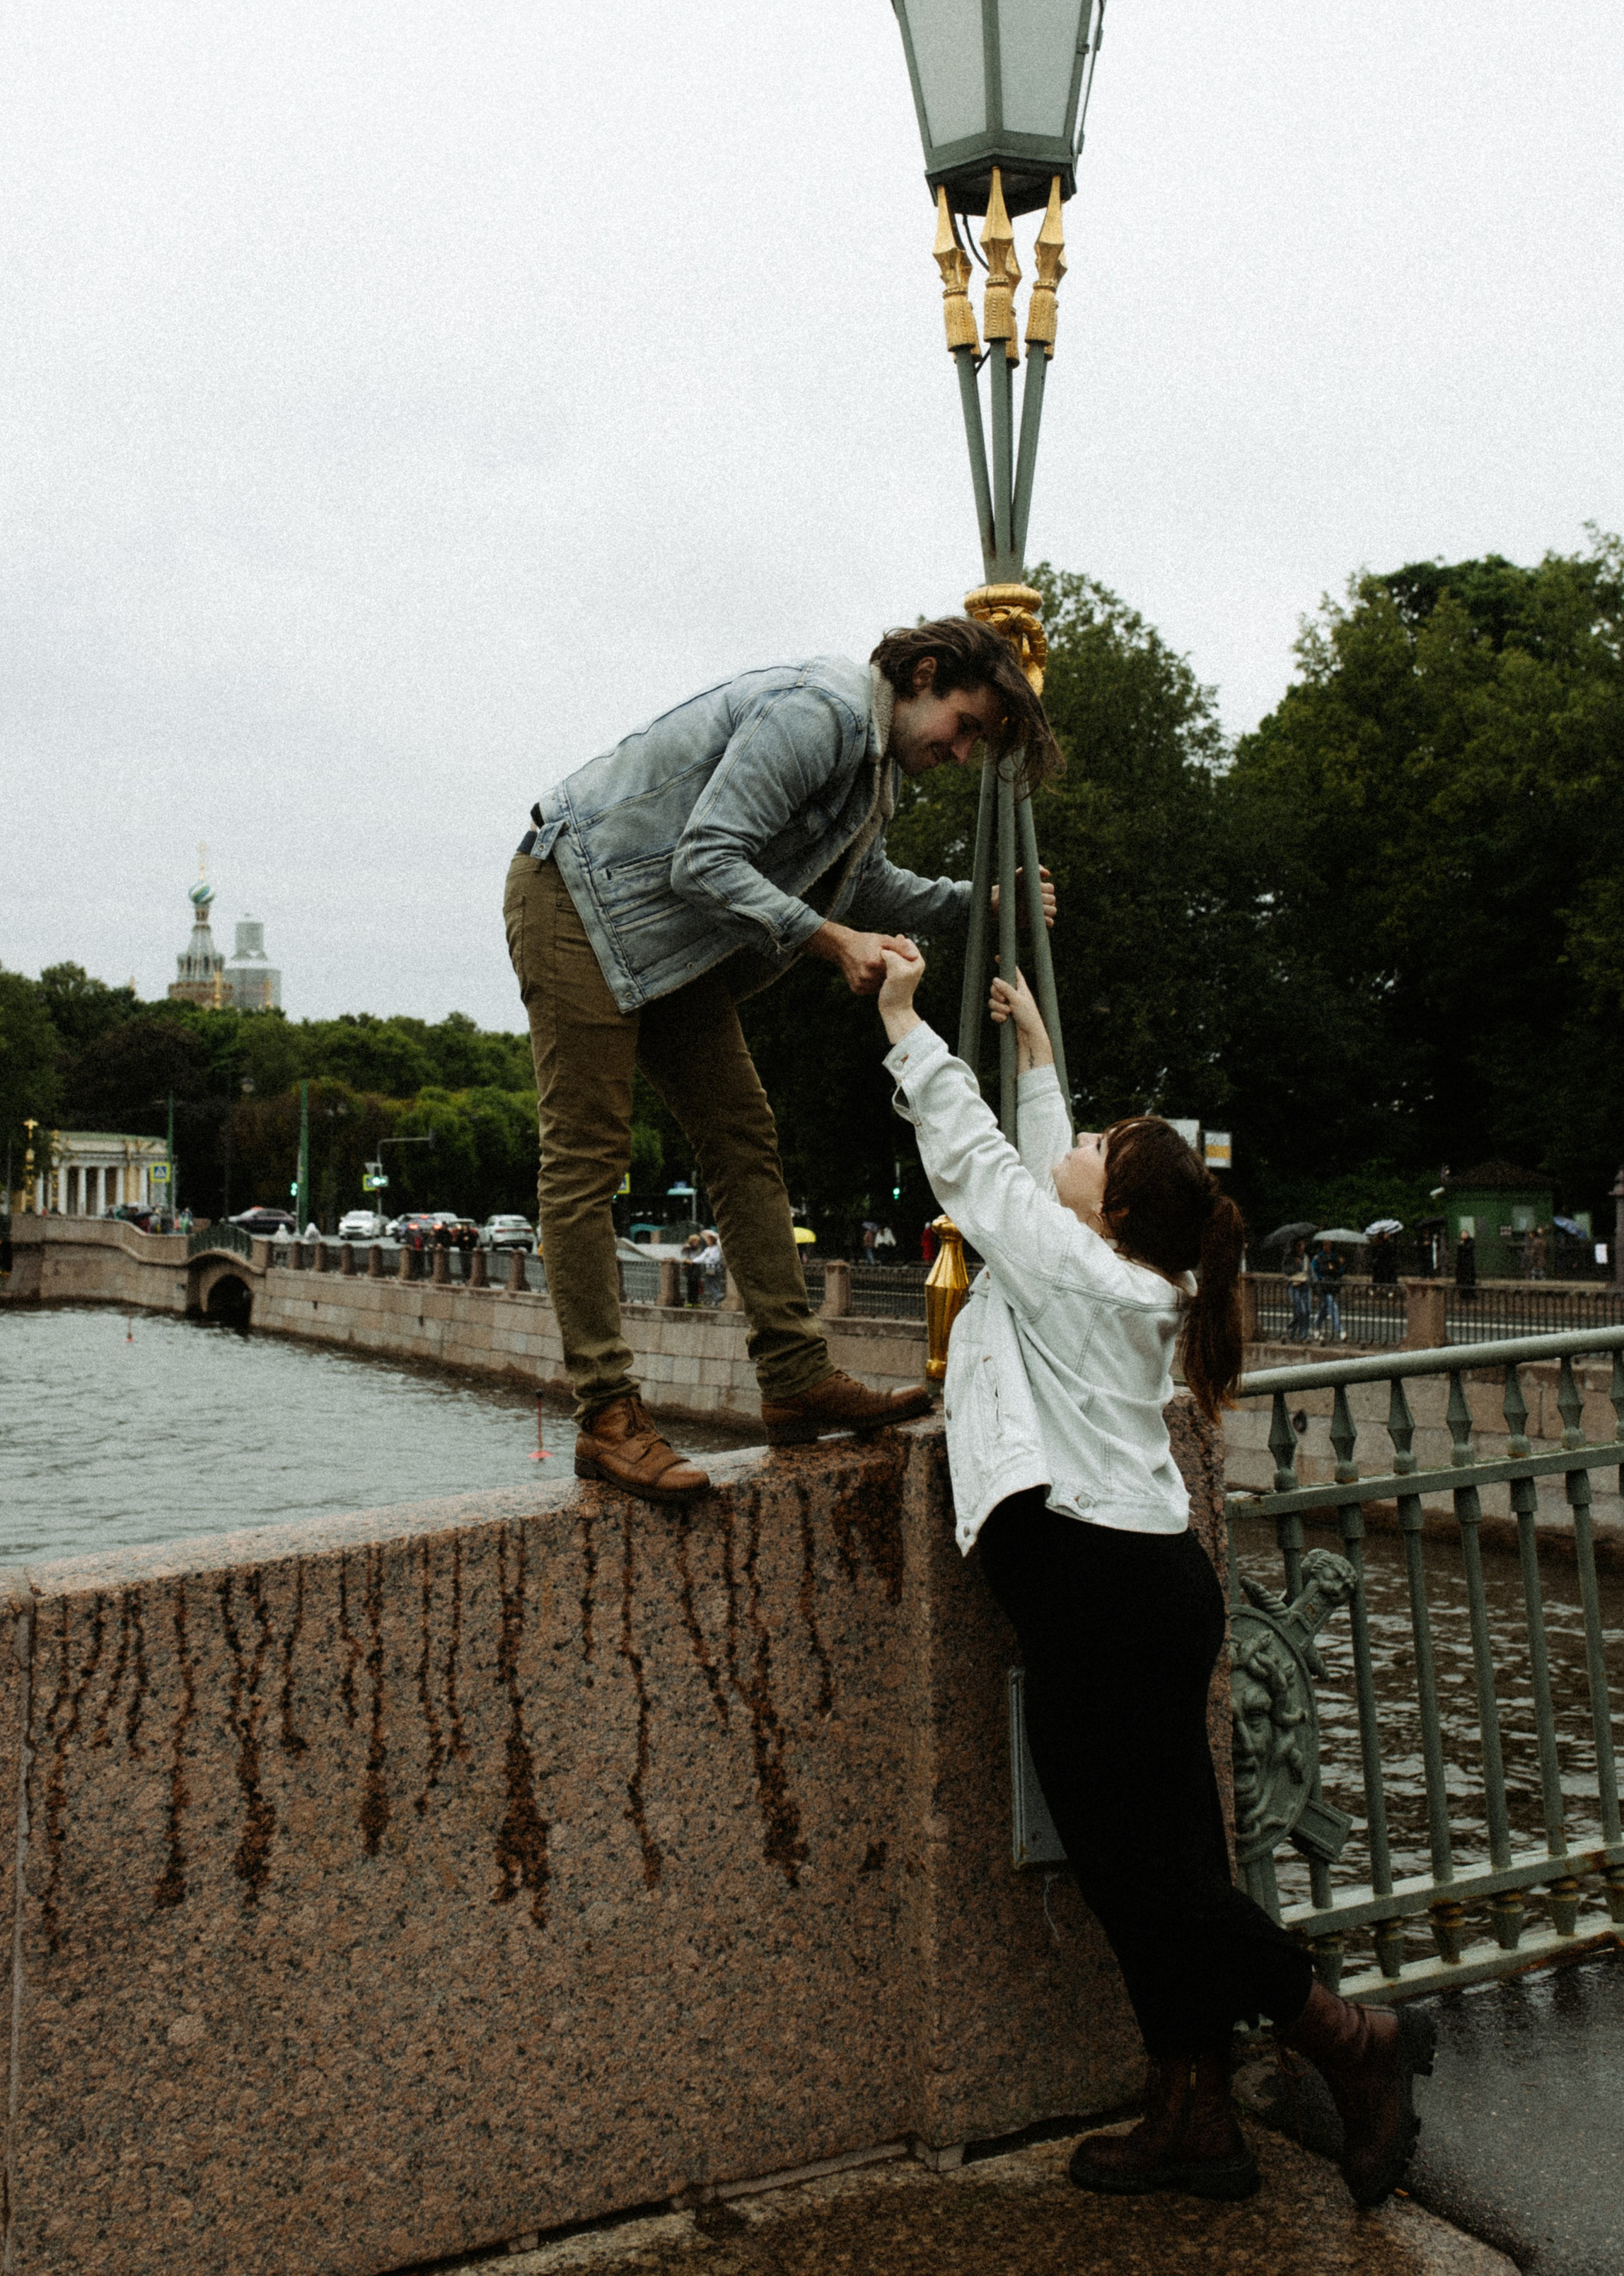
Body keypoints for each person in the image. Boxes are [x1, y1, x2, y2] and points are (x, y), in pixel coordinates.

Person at [873, 941, 1436, 2212]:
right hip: (1147, 1584)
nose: (1077, 1147)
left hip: (1098, 1596)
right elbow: (1041, 1168)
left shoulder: (1071, 1266)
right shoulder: (1127, 1271)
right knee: (1168, 1861)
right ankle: (1191, 2114)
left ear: (1111, 1211)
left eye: (1103, 1151)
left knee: (1157, 1882)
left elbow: (980, 1171)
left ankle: (1354, 2042)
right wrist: (1034, 1054)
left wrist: (910, 1025)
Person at [504, 618, 1060, 1504]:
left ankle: (795, 1379)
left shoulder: (873, 768)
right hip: (577, 896)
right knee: (587, 1160)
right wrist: (830, 941)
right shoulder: (823, 713)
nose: (960, 753)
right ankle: (607, 1416)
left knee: (742, 1139)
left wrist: (978, 904)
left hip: (670, 938)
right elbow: (707, 858)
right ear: (921, 676)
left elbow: (859, 881)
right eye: (963, 726)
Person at [1313, 1242, 1345, 1344]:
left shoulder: (1335, 1258)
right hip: (1323, 1287)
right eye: (1325, 1245)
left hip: (1331, 1286)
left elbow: (1340, 1273)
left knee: (1324, 1308)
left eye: (1329, 1245)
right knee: (1332, 1306)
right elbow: (1314, 1271)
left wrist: (1341, 1264)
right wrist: (1320, 1280)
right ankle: (1339, 1329)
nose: (1327, 1247)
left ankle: (1316, 1326)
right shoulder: (1318, 1258)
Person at [1284, 1238, 1312, 1342]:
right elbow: (1286, 1271)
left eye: (1303, 1245)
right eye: (1300, 1245)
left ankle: (1304, 1334)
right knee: (1300, 1310)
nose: (1302, 1247)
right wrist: (1296, 1265)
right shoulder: (1290, 1257)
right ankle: (1292, 1330)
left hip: (1305, 1285)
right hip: (1295, 1285)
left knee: (1307, 1311)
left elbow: (1309, 1271)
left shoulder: (1306, 1257)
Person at [1455, 1226, 1478, 1306]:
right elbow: (1459, 1254)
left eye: (1465, 1234)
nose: (1464, 1235)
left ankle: (1471, 1295)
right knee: (1463, 1279)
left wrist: (1463, 1245)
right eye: (1462, 1234)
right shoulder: (1460, 1242)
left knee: (1469, 1279)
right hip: (1462, 1265)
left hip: (1468, 1264)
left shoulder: (1470, 1241)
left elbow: (1468, 1249)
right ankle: (1463, 1295)